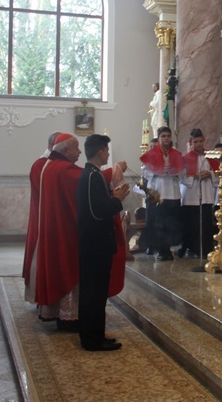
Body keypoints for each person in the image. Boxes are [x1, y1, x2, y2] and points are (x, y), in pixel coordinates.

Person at [30, 133, 126, 331]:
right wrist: (115, 174)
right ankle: (72, 319)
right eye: (75, 148)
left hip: (56, 227)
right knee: (76, 275)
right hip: (67, 231)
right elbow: (89, 188)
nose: (79, 151)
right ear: (65, 151)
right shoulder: (63, 169)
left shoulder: (48, 166)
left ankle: (68, 316)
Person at [77, 134, 130, 352]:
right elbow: (97, 212)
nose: (108, 153)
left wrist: (113, 198)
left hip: (94, 243)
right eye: (106, 150)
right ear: (100, 151)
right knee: (93, 293)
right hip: (95, 244)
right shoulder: (92, 176)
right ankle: (92, 338)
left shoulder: (92, 175)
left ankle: (96, 335)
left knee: (97, 293)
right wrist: (117, 200)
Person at [23, 131, 61, 302]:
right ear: (54, 146)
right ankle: (40, 295)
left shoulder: (54, 164)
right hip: (44, 218)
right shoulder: (42, 165)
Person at [141, 126, 185, 261]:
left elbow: (183, 173)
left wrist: (174, 170)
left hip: (172, 192)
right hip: (158, 192)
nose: (166, 138)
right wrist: (159, 169)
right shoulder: (152, 154)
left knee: (171, 223)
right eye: (163, 136)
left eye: (168, 136)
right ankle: (161, 250)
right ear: (159, 138)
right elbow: (145, 172)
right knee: (159, 223)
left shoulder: (176, 154)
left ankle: (169, 250)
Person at [180, 128, 217, 259]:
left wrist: (210, 174)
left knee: (206, 224)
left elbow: (218, 173)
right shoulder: (186, 158)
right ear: (191, 142)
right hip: (191, 195)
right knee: (192, 224)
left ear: (204, 140)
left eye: (201, 141)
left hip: (206, 194)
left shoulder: (211, 155)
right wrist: (194, 176)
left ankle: (206, 248)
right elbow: (182, 177)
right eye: (196, 142)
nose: (199, 144)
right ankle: (192, 248)